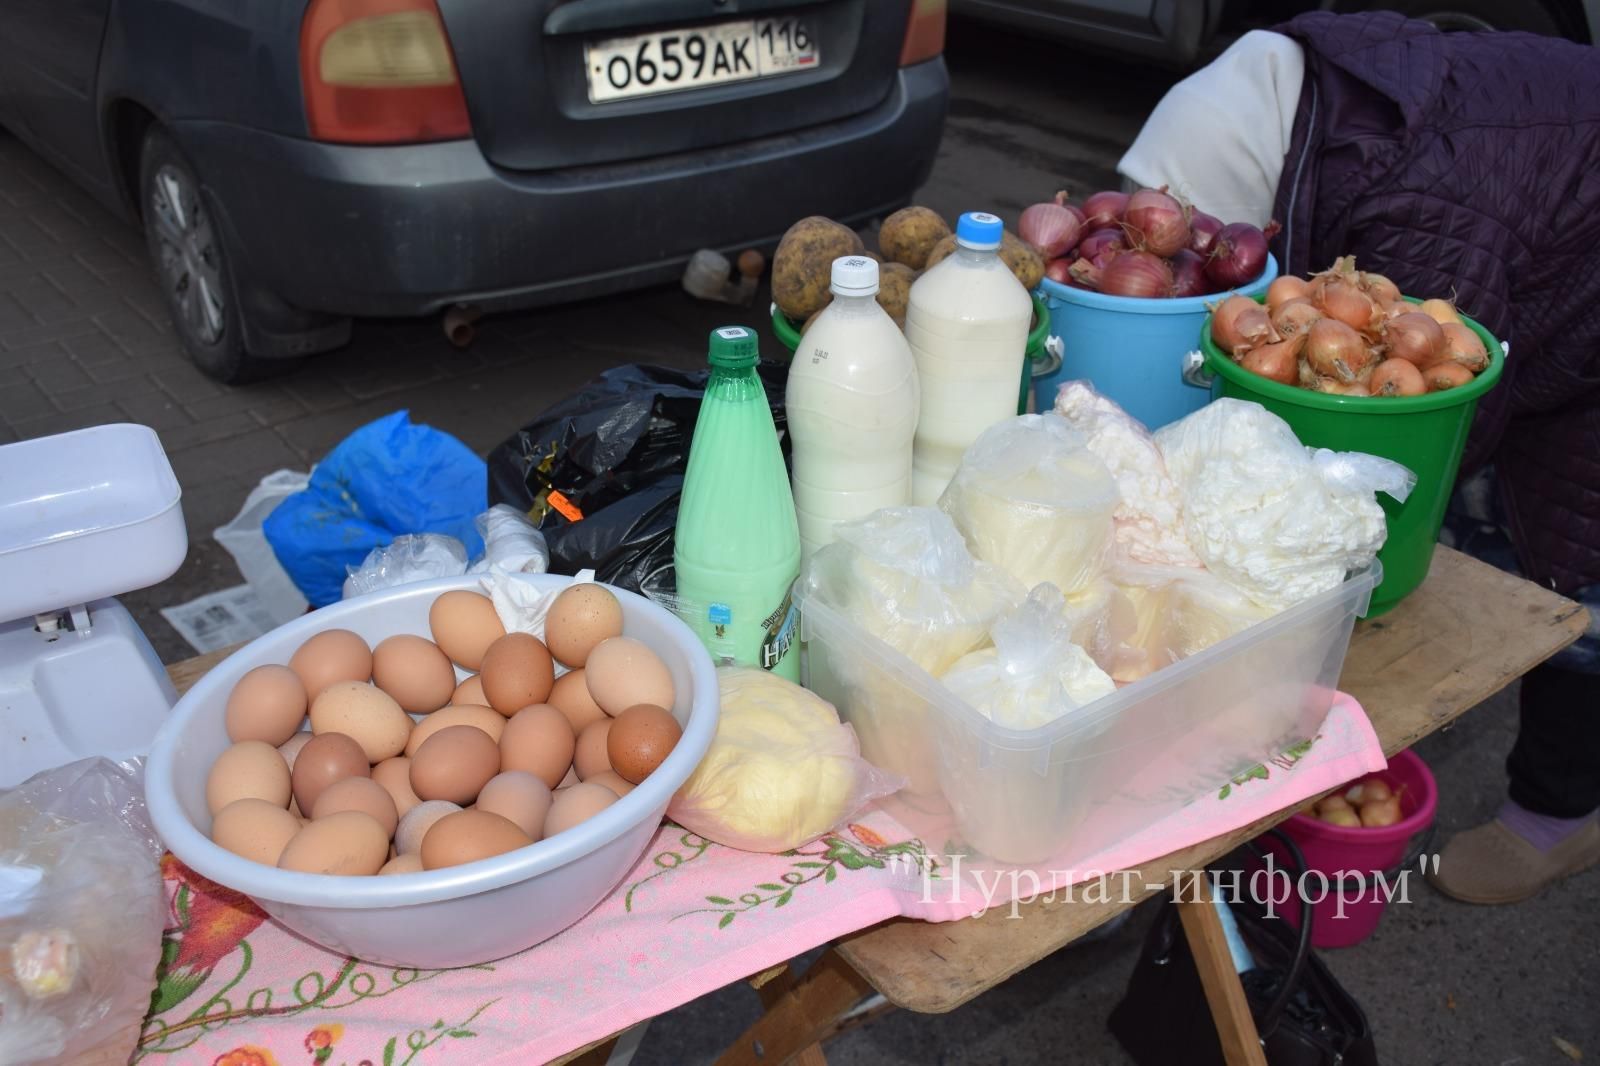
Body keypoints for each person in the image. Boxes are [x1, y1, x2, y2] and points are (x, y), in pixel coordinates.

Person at [1118, 10, 1600, 904]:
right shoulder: (1311, 103)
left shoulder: (1430, 204)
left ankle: (1556, 818)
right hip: (1544, 255)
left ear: (1262, 207)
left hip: (1571, 280)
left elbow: (1438, 422)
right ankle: (1348, 747)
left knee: (1578, 552)